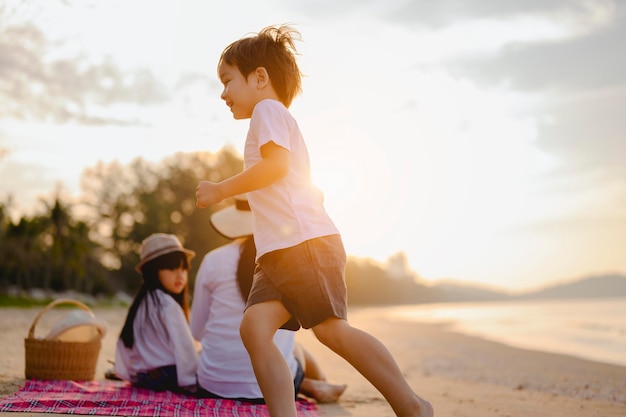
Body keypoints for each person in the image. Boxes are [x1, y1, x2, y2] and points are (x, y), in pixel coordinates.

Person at [195, 24, 434, 417]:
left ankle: (411, 405)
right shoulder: (266, 116)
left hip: (304, 244)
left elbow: (275, 167)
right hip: (276, 254)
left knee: (330, 331)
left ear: (259, 78)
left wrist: (221, 190)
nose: (223, 93)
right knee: (253, 329)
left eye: (227, 80)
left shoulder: (267, 111)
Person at [189, 195, 346, 403]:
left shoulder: (213, 260)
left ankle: (313, 385)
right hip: (272, 391)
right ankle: (318, 383)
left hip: (214, 385)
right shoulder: (287, 262)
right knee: (294, 346)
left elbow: (197, 332)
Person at [114, 233, 199, 393]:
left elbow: (124, 344)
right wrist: (192, 382)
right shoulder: (167, 304)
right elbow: (184, 347)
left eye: (183, 269)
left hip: (142, 377)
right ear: (154, 271)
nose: (180, 275)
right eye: (172, 268)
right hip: (167, 376)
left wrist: (129, 373)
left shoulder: (141, 302)